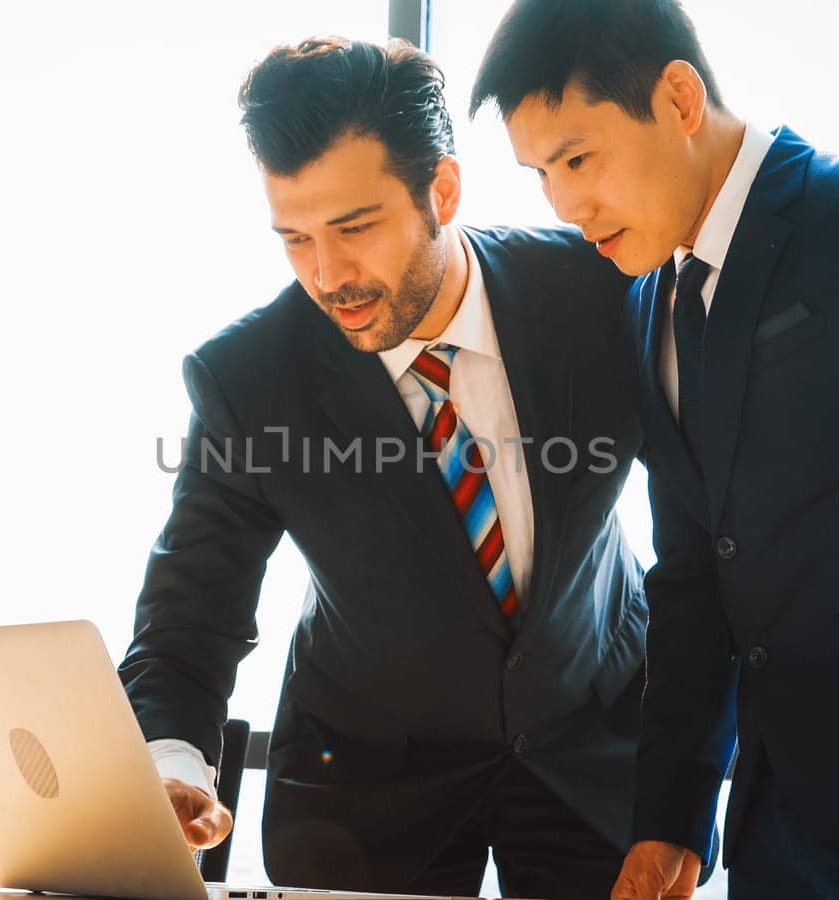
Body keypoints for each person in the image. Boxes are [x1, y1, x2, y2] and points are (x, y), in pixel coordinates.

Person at [470, 2, 839, 898]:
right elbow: (690, 576)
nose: (566, 204)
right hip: (773, 829)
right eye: (539, 175)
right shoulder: (647, 306)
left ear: (679, 97)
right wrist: (671, 820)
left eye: (577, 158)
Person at [119, 36, 652, 898]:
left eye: (355, 228)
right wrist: (172, 763)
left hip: (592, 768)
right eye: (294, 239)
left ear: (442, 189)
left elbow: (715, 528)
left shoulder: (601, 295)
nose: (328, 276)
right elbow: (187, 623)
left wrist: (685, 783)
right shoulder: (250, 381)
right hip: (362, 798)